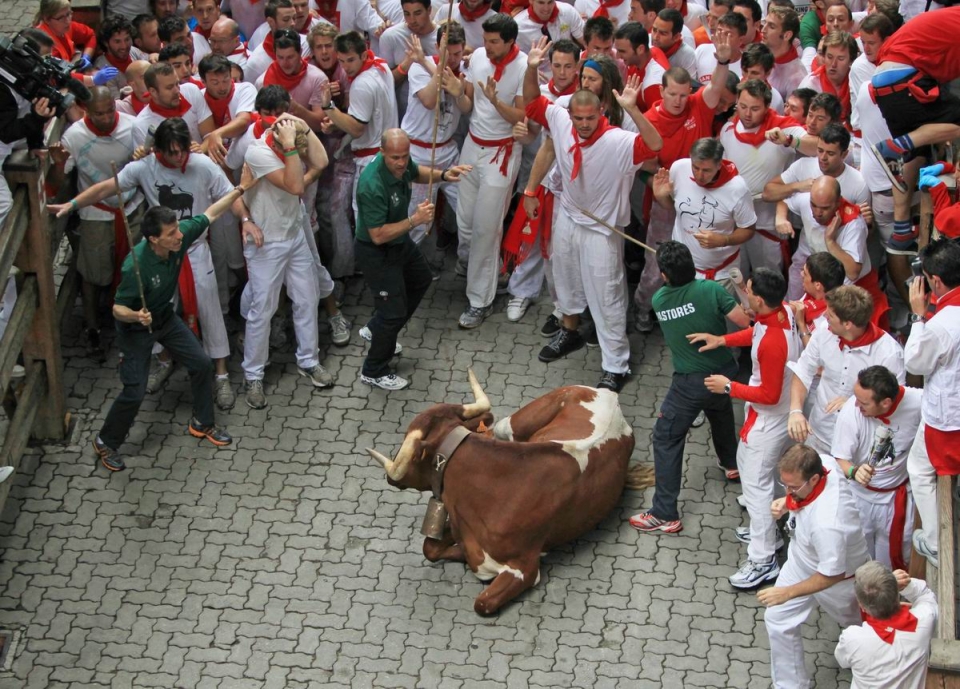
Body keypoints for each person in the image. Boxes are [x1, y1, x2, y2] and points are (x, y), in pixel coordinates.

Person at [91, 184, 250, 472]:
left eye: (177, 229)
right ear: (154, 239)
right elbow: (117, 309)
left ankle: (202, 422)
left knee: (202, 364)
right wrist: (136, 316)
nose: (179, 236)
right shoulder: (134, 266)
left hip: (165, 319)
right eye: (171, 234)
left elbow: (212, 213)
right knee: (134, 391)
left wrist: (239, 189)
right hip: (137, 332)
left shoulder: (180, 236)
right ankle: (106, 441)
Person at [524, 81, 661, 391]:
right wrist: (531, 67)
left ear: (601, 112)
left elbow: (654, 144)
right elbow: (532, 102)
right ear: (569, 115)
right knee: (566, 281)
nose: (584, 124)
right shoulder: (559, 121)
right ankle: (570, 332)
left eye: (590, 117)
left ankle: (616, 365)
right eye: (578, 118)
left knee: (607, 297)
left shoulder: (618, 140)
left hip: (602, 230)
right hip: (569, 219)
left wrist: (633, 109)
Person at [690, 268, 803, 588]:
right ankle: (771, 530)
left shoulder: (771, 343)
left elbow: (767, 393)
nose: (746, 293)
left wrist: (728, 387)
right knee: (771, 478)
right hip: (782, 414)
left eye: (749, 290)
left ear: (760, 299)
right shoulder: (785, 314)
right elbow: (756, 333)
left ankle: (764, 558)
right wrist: (722, 339)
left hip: (768, 419)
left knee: (755, 488)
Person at [630, 241, 751, 533]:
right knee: (719, 409)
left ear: (664, 275)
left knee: (666, 437)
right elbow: (746, 325)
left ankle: (664, 513)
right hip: (724, 372)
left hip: (689, 383)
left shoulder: (660, 300)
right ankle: (731, 463)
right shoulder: (712, 290)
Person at [233, 117, 339, 409]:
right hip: (266, 243)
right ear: (277, 139)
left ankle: (309, 361)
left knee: (307, 298)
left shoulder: (289, 140)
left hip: (293, 236)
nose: (299, 151)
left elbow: (321, 160)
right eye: (293, 146)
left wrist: (303, 126)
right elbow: (295, 187)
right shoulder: (257, 152)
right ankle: (253, 374)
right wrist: (292, 146)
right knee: (262, 310)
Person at [355, 130, 471, 390]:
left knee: (420, 277)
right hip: (378, 251)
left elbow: (416, 172)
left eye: (405, 156)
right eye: (395, 157)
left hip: (399, 244)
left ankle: (376, 330)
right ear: (382, 152)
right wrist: (414, 221)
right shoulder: (371, 184)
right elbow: (377, 235)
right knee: (392, 313)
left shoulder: (403, 166)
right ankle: (374, 369)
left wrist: (443, 175)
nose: (401, 163)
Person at [759, 445, 870, 689]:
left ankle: (872, 662)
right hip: (802, 561)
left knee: (862, 625)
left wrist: (786, 592)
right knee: (777, 617)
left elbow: (831, 575)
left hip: (842, 581)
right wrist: (788, 501)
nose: (788, 491)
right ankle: (791, 685)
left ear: (815, 478)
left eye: (793, 488)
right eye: (784, 485)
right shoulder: (824, 461)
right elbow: (799, 496)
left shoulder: (828, 524)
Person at [48, 87, 146, 362]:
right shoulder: (75, 136)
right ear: (86, 111)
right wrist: (58, 165)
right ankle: (93, 328)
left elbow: (147, 161)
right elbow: (56, 183)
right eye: (98, 114)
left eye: (109, 111)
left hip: (133, 207)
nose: (105, 118)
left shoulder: (132, 125)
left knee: (137, 269)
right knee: (93, 275)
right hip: (96, 214)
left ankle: (137, 323)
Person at [455, 13, 527, 330]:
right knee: (466, 224)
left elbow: (522, 117)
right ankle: (492, 272)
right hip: (472, 145)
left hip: (502, 152)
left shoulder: (525, 67)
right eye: (485, 39)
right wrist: (457, 90)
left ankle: (479, 301)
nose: (486, 46)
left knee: (486, 231)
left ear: (511, 41)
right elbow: (468, 105)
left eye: (494, 42)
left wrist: (497, 101)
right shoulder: (479, 58)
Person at [787, 285, 905, 454]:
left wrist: (853, 403)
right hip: (818, 434)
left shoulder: (890, 353)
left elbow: (893, 403)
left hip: (858, 445)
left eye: (831, 315)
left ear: (848, 324)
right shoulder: (823, 332)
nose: (825, 316)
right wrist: (796, 411)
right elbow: (804, 370)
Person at [902, 238, 960, 568]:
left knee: (921, 470)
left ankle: (938, 542)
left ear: (935, 281)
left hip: (948, 417)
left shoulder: (940, 325)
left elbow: (916, 363)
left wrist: (918, 317)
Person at [831, 365, 921, 570]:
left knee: (890, 560)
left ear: (886, 402)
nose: (856, 405)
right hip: (859, 498)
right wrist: (854, 471)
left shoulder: (917, 402)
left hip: (895, 498)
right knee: (858, 556)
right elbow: (840, 459)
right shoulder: (851, 413)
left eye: (863, 403)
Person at [400, 22, 469, 279]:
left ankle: (467, 262)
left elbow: (467, 104)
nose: (452, 58)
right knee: (418, 219)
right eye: (447, 53)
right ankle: (406, 270)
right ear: (438, 47)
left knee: (467, 209)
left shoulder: (464, 71)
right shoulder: (419, 66)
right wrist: (435, 67)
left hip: (449, 152)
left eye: (457, 53)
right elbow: (429, 100)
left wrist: (459, 90)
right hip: (419, 152)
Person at [868, 7, 960, 194]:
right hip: (904, 80)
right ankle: (893, 147)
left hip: (884, 82)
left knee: (915, 157)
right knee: (955, 125)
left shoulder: (950, 16)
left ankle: (902, 224)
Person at [719, 79, 805, 279]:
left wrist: (790, 140)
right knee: (736, 276)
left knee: (768, 278)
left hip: (769, 224)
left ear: (767, 107)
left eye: (755, 108)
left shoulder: (784, 129)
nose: (747, 114)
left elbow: (815, 144)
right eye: (742, 106)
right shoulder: (727, 130)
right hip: (736, 220)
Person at [652, 137, 757, 294]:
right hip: (681, 270)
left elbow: (749, 229)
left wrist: (724, 240)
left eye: (706, 170)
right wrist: (661, 197)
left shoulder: (737, 189)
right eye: (695, 168)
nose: (699, 175)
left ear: (719, 165)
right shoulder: (679, 169)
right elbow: (676, 208)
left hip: (720, 275)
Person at [321, 31, 399, 212]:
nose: (345, 67)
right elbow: (372, 113)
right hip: (387, 153)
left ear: (363, 55)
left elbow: (357, 129)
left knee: (366, 218)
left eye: (350, 60)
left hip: (370, 162)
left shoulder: (361, 84)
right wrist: (338, 122)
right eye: (341, 61)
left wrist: (329, 109)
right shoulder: (381, 66)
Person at [835, 562, 938, 689]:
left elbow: (842, 661)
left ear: (861, 606)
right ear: (896, 594)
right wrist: (904, 584)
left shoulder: (852, 638)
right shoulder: (924, 620)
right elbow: (925, 594)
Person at [797, 31, 858, 130]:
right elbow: (797, 124)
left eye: (841, 58)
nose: (833, 64)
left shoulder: (856, 81)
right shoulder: (810, 84)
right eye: (829, 57)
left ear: (851, 60)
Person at [94, 15, 150, 99]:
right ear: (106, 43)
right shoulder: (102, 68)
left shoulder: (133, 51)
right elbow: (116, 103)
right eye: (117, 41)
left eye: (127, 39)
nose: (124, 46)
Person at [762, 6, 806, 101]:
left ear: (787, 35)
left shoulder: (797, 77)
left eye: (771, 26)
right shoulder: (758, 55)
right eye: (765, 23)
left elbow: (790, 114)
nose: (763, 30)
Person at [651, 9, 697, 78]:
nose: (655, 37)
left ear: (676, 37)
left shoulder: (687, 54)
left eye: (663, 33)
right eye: (654, 30)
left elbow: (689, 86)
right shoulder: (645, 43)